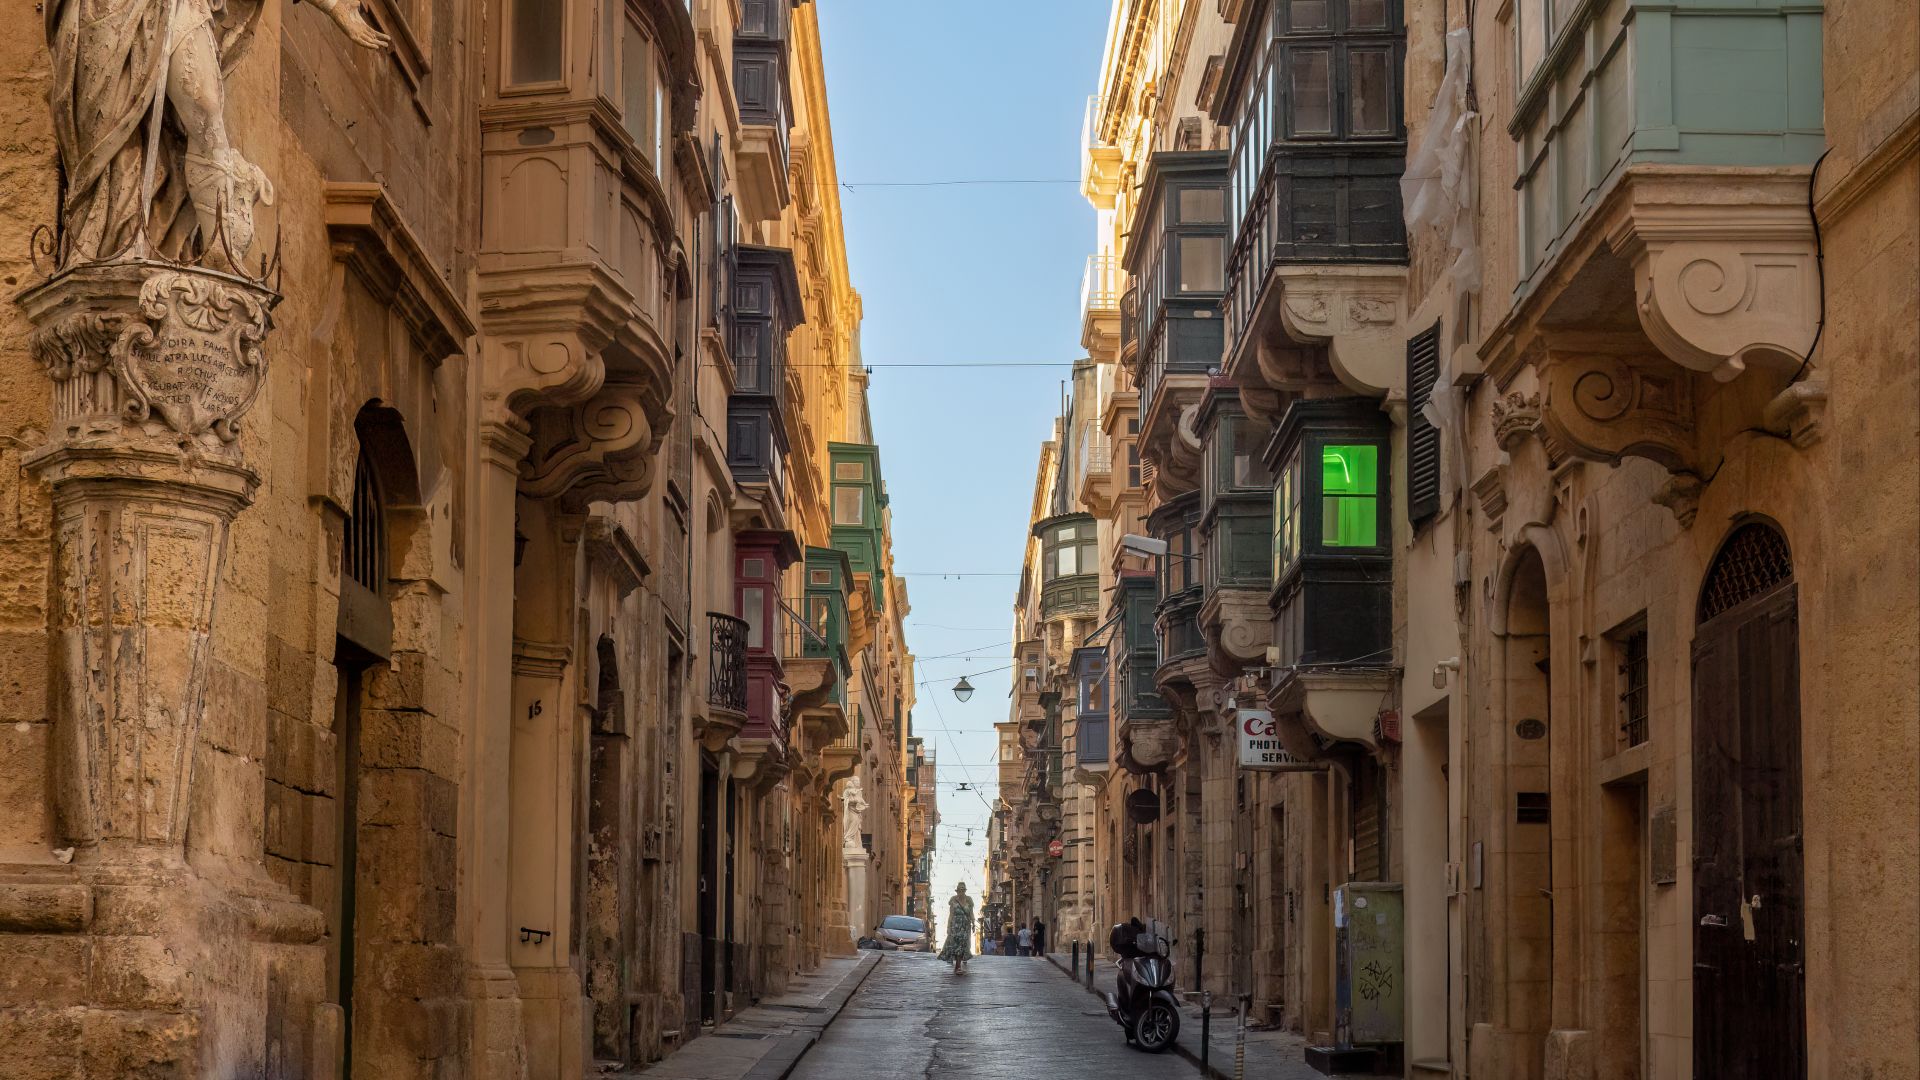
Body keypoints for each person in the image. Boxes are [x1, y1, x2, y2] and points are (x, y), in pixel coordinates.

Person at [938, 883, 975, 974]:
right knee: (955, 945)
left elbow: (971, 913)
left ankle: (958, 967)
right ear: (957, 891)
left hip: (965, 926)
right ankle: (957, 967)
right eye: (959, 890)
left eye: (963, 890)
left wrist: (973, 922)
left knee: (962, 946)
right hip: (955, 926)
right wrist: (948, 927)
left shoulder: (969, 900)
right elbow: (951, 915)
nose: (961, 892)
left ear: (965, 891)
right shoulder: (953, 900)